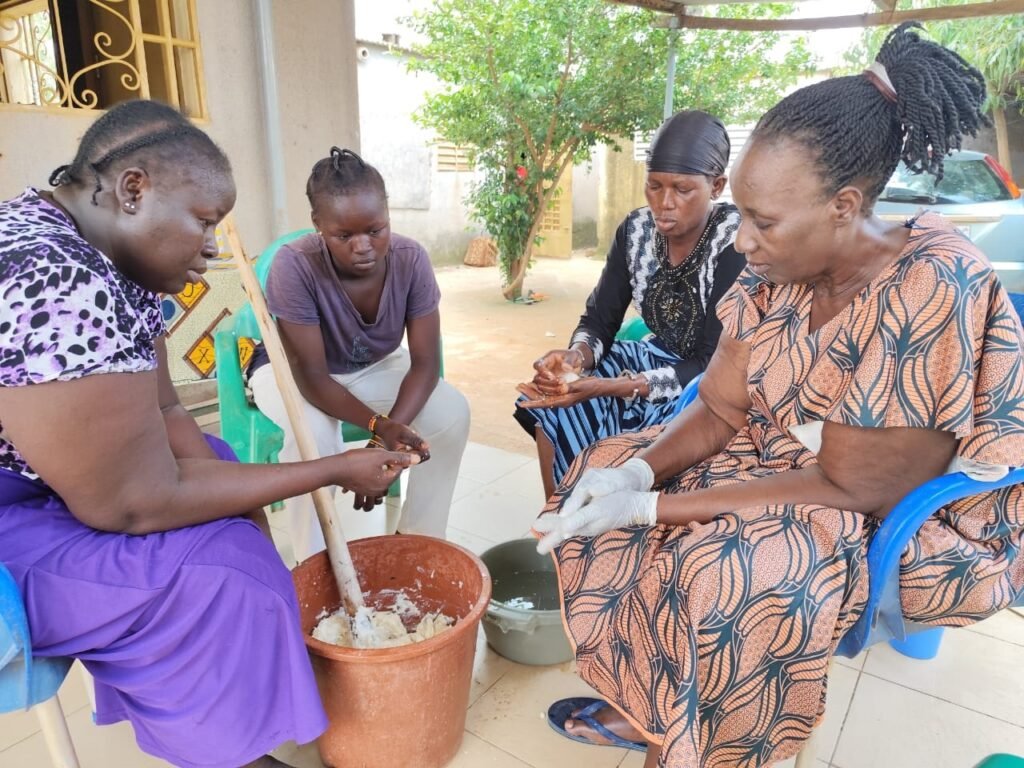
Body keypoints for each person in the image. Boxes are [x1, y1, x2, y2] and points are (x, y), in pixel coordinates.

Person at [533, 23, 1024, 768]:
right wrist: (635, 476)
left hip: (899, 510)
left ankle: (718, 741)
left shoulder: (931, 284)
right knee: (605, 460)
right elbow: (723, 408)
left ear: (843, 205)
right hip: (798, 459)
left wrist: (654, 505)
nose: (741, 243)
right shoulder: (774, 274)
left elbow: (849, 485)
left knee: (730, 569)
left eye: (762, 222)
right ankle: (663, 705)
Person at [0, 100, 420, 768]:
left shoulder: (102, 252)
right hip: (13, 526)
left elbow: (168, 412)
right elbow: (130, 504)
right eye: (204, 222)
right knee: (219, 576)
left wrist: (248, 509)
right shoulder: (58, 279)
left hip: (56, 484)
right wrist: (333, 470)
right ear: (134, 189)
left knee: (228, 484)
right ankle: (231, 748)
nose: (213, 248)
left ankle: (247, 698)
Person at [249, 148, 470, 562]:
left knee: (452, 413)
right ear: (318, 226)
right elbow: (311, 376)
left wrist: (386, 435)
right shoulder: (294, 265)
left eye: (375, 229)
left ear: (387, 213)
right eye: (344, 236)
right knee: (314, 437)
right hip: (292, 372)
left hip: (376, 365)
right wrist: (376, 424)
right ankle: (316, 560)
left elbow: (424, 362)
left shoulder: (411, 260)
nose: (363, 246)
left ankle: (417, 545)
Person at [514, 111, 744, 499]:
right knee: (550, 399)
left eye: (682, 189)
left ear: (717, 185)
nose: (664, 203)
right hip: (657, 357)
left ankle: (618, 527)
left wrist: (614, 387)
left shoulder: (734, 241)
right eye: (654, 185)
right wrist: (576, 357)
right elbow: (600, 320)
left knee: (653, 432)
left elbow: (710, 362)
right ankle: (560, 518)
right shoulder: (636, 230)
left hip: (711, 381)